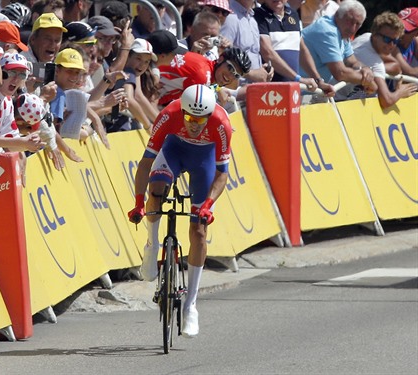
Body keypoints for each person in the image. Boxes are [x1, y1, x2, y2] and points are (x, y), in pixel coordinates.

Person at [128, 84, 233, 338]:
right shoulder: (169, 114)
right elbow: (145, 164)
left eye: (200, 119)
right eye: (189, 118)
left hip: (204, 161)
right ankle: (152, 245)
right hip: (174, 150)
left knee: (198, 231)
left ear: (209, 115)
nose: (194, 124)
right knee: (158, 187)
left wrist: (207, 205)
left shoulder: (221, 123)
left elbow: (222, 175)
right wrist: (140, 202)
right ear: (182, 111)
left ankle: (191, 306)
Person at [254, 0, 335, 96]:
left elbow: (302, 51)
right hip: (270, 92)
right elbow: (267, 53)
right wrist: (298, 78)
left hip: (293, 90)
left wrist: (319, 80)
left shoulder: (293, 14)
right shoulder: (257, 15)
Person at [342, 12, 417, 108]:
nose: (391, 45)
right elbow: (387, 101)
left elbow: (396, 67)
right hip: (337, 102)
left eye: (395, 41)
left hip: (346, 102)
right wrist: (400, 92)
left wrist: (374, 69)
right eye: (387, 39)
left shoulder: (366, 37)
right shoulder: (373, 60)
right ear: (374, 35)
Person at [301, 0, 376, 95]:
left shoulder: (342, 31)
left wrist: (365, 69)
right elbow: (340, 73)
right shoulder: (328, 31)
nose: (352, 29)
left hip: (310, 93)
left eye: (357, 24)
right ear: (337, 15)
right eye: (349, 21)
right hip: (297, 93)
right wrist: (369, 81)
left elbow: (352, 61)